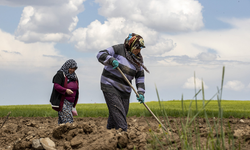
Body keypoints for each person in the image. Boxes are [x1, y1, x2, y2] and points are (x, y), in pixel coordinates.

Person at [96, 33, 149, 131]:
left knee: (118, 113)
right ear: (131, 45)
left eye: (140, 48)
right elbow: (100, 54)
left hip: (125, 90)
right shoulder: (119, 49)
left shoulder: (138, 60)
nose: (139, 51)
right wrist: (111, 60)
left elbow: (140, 77)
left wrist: (141, 92)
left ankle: (109, 134)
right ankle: (123, 133)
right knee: (118, 113)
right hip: (110, 84)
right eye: (137, 47)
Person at [50, 59, 79, 124]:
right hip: (63, 102)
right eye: (71, 68)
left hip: (71, 103)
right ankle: (69, 133)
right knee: (68, 121)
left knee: (62, 122)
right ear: (67, 67)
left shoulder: (74, 76)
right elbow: (56, 86)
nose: (72, 70)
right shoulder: (60, 74)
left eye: (74, 69)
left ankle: (60, 133)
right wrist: (65, 90)